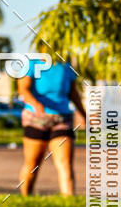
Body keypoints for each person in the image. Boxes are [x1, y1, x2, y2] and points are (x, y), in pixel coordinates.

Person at [18, 54, 86, 195]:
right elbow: (23, 89)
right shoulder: (32, 64)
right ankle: (25, 198)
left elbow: (73, 93)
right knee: (33, 164)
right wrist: (36, 104)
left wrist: (83, 114)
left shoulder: (66, 66)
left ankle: (69, 202)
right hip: (35, 118)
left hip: (62, 118)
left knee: (65, 163)